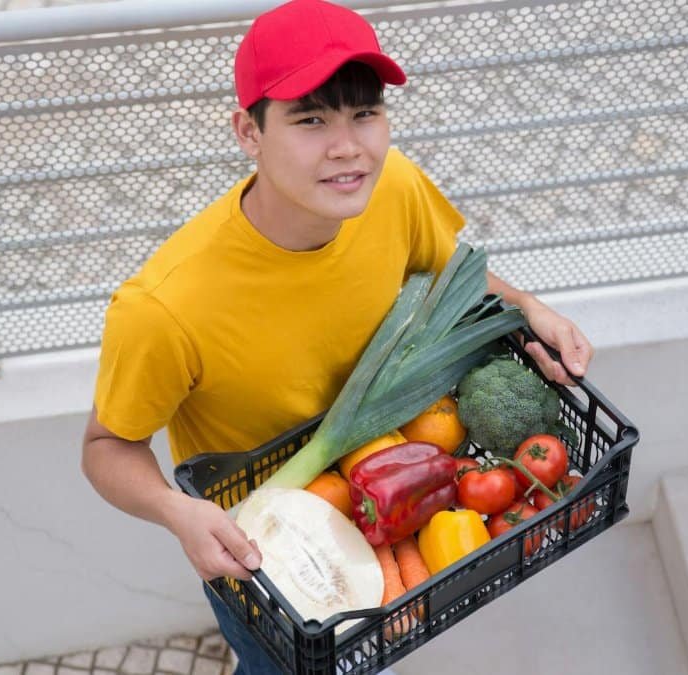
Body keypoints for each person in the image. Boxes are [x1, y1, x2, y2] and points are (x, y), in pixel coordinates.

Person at [81, 0, 593, 672]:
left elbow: (457, 274)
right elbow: (105, 446)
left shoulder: (393, 187)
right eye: (312, 118)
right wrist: (177, 512)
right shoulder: (165, 306)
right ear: (248, 131)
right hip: (266, 550)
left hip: (390, 489)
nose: (349, 146)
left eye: (365, 113)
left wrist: (527, 306)